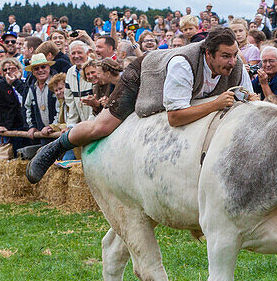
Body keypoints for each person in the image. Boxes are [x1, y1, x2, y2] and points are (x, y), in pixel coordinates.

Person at [27, 28, 254, 182]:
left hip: (182, 96)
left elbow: (250, 101)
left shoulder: (237, 68)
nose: (232, 62)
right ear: (208, 53)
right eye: (225, 56)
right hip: (144, 76)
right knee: (102, 127)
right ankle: (54, 148)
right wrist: (215, 104)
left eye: (234, 55)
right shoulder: (183, 64)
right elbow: (175, 117)